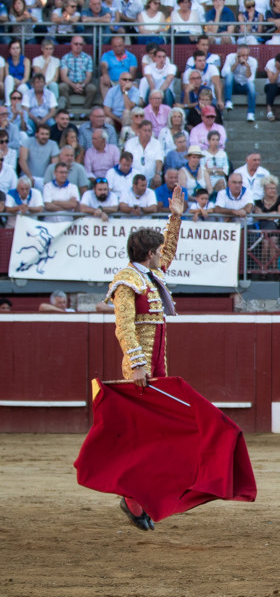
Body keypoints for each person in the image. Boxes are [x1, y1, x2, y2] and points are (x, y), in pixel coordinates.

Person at [105, 184, 186, 531]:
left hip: (157, 367)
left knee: (154, 435)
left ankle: (139, 497)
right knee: (143, 436)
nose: (161, 257)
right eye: (157, 253)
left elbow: (169, 251)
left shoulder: (149, 274)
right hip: (141, 369)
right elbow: (124, 325)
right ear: (147, 253)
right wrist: (137, 364)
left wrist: (176, 218)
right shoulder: (127, 282)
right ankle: (132, 497)